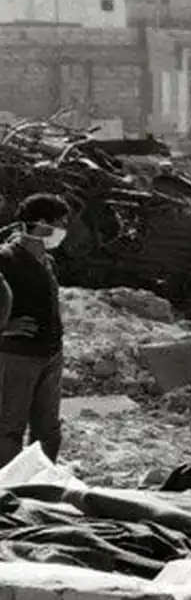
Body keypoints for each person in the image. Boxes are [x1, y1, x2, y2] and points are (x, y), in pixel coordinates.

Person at [0, 194, 71, 467]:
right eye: (60, 223)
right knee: (9, 428)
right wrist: (6, 328)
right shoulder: (6, 258)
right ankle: (7, 490)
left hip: (50, 355)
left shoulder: (48, 262)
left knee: (48, 429)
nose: (64, 229)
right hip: (17, 357)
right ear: (42, 224)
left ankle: (39, 483)